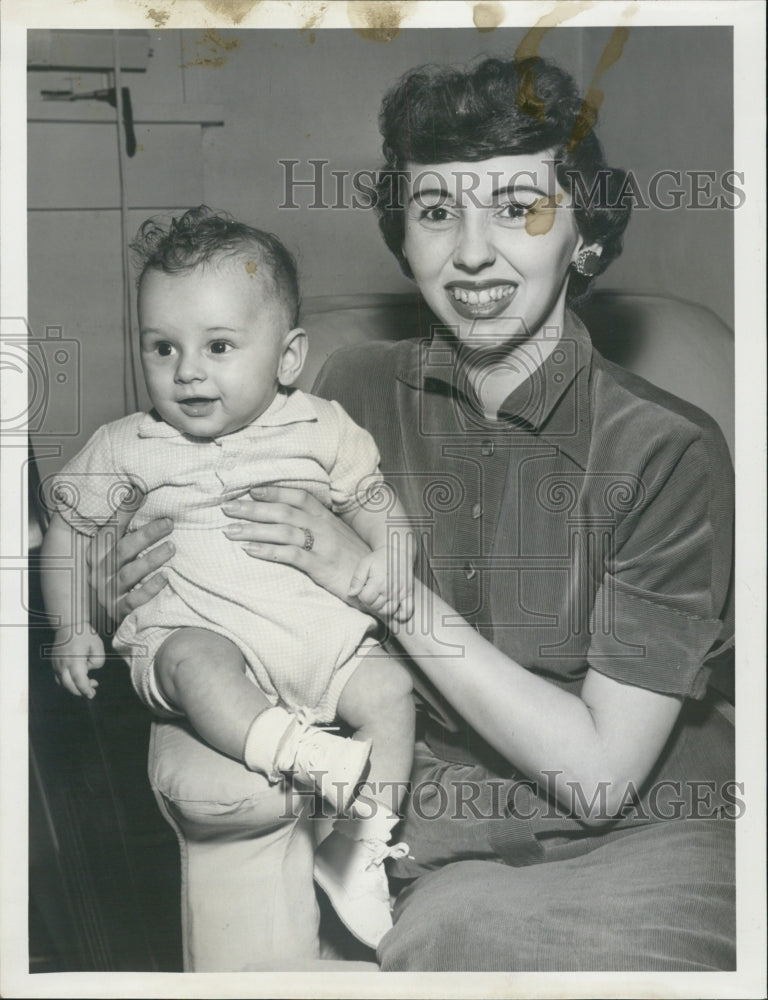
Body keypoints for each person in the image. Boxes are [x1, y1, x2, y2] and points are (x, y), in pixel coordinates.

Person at [86, 56, 735, 971]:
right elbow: (222, 574)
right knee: (463, 931)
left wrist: (382, 587)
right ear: (405, 235)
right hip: (439, 847)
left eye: (518, 207)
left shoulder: (669, 451)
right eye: (437, 212)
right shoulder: (343, 395)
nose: (472, 252)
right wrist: (125, 588)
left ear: (582, 232)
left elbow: (597, 778)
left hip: (649, 841)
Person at [41, 207, 418, 949]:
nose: (187, 371)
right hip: (202, 638)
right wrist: (73, 625)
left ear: (286, 355)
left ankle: (362, 847)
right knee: (193, 663)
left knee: (392, 693)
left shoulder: (320, 425)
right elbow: (70, 531)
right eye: (162, 347)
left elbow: (374, 499)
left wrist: (393, 560)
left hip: (317, 643)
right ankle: (293, 751)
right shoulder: (127, 445)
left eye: (218, 346)